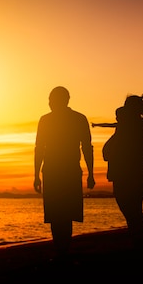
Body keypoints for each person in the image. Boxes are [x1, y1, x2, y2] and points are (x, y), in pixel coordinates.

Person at [34, 86, 95, 257]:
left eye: (52, 100)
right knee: (58, 214)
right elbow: (39, 148)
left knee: (62, 214)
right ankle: (62, 250)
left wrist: (91, 173)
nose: (50, 103)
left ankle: (62, 251)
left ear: (64, 100)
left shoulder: (75, 119)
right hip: (57, 171)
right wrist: (36, 175)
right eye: (49, 100)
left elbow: (87, 148)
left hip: (65, 171)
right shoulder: (72, 119)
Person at [101, 94, 143, 235]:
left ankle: (141, 239)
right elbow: (107, 152)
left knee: (132, 210)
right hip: (125, 173)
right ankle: (140, 238)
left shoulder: (136, 127)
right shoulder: (128, 127)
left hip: (129, 173)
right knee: (132, 210)